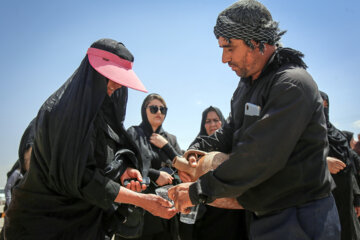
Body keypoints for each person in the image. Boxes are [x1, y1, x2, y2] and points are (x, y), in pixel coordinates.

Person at [168, 1, 341, 239]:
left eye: (229, 48)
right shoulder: (245, 87)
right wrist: (194, 152)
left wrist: (198, 191)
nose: (223, 58)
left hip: (301, 217)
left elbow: (260, 155)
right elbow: (228, 132)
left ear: (256, 42)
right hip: (262, 215)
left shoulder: (292, 84)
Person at [4, 38, 176, 240]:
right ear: (92, 72)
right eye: (110, 76)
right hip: (44, 227)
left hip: (86, 226)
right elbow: (80, 179)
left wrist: (123, 170)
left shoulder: (102, 116)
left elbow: (103, 159)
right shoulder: (63, 113)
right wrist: (141, 200)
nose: (117, 84)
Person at [119, 93, 183, 240]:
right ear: (144, 110)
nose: (159, 112)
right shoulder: (133, 133)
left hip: (166, 212)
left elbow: (182, 169)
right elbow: (126, 166)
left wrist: (166, 146)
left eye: (163, 109)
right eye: (154, 108)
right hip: (141, 211)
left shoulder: (170, 139)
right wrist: (155, 175)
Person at [188, 106, 248, 240]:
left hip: (231, 216)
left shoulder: (234, 145)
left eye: (216, 120)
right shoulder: (195, 149)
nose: (212, 124)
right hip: (205, 215)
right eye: (208, 121)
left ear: (222, 122)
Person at [320, 91, 360, 240]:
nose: (323, 109)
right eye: (320, 105)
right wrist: (323, 162)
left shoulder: (338, 135)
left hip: (346, 200)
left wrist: (356, 198)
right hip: (324, 198)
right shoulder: (309, 134)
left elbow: (350, 170)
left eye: (326, 106)